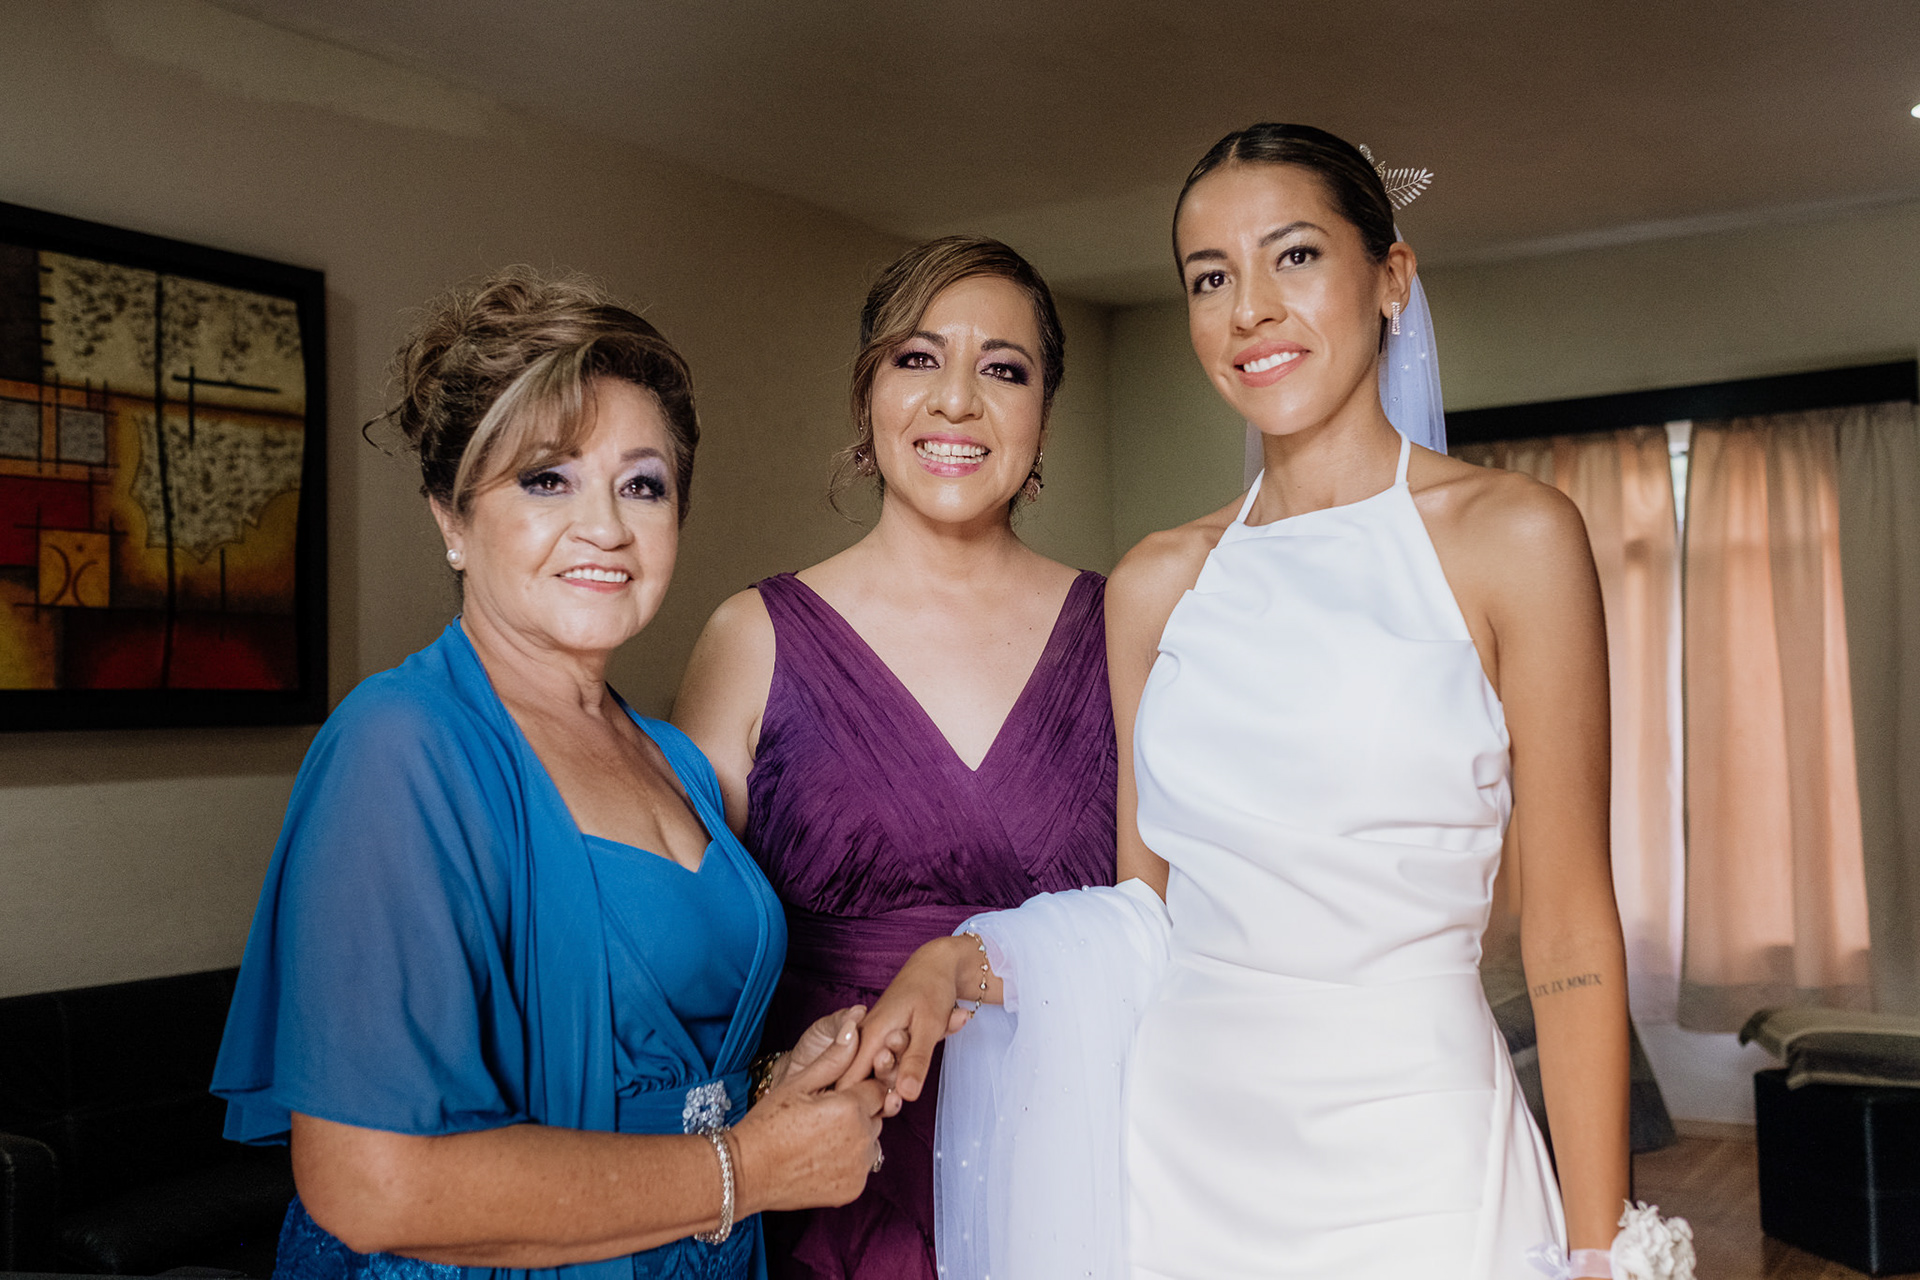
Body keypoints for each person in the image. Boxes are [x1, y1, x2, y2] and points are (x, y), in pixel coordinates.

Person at [851, 126, 1693, 1280]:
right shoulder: (1156, 583)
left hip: (1423, 1159)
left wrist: (1605, 1251)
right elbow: (1141, 917)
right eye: (1210, 278)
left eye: (1293, 256)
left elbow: (1570, 930)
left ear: (1391, 277)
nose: (1249, 308)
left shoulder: (1518, 539)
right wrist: (958, 960)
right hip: (1184, 1163)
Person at [211, 269, 892, 1280]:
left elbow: (653, 1068)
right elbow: (373, 1185)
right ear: (450, 517)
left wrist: (779, 1086)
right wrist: (748, 1167)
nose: (606, 525)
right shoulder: (401, 746)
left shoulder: (670, 756)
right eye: (547, 478)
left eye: (642, 484)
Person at [672, 236, 1117, 1280]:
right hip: (833, 1189)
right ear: (866, 394)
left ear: (1044, 413)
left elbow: (1176, 928)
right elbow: (688, 963)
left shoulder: (1122, 633)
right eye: (918, 359)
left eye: (1003, 368)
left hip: (1072, 1175)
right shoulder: (752, 637)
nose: (956, 399)